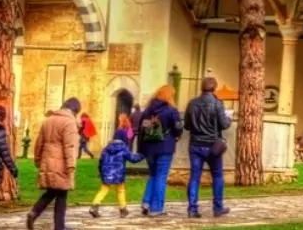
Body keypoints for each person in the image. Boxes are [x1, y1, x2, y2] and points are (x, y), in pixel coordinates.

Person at [27, 98, 81, 230]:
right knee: (62, 194)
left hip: (48, 161)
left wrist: (38, 159)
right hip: (61, 163)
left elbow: (39, 142)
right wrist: (71, 165)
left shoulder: (48, 120)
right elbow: (70, 146)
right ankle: (59, 226)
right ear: (75, 110)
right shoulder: (69, 122)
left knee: (53, 191)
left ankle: (34, 213)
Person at [183, 76, 233, 218]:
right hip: (213, 145)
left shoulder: (192, 104)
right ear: (214, 88)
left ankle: (192, 209)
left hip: (195, 144)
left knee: (194, 177)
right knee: (217, 176)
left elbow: (186, 125)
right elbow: (224, 124)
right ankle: (218, 207)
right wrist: (229, 118)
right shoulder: (218, 104)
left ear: (202, 87)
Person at [138, 84, 184, 216]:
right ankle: (157, 208)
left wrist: (141, 149)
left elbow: (141, 130)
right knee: (161, 177)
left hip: (149, 148)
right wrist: (176, 135)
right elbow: (178, 128)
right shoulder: (171, 111)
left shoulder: (147, 111)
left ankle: (146, 202)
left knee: (153, 174)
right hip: (165, 146)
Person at [90, 129, 145, 218]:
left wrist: (101, 172)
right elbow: (133, 159)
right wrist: (142, 155)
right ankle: (123, 209)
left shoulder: (106, 148)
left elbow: (101, 161)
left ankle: (94, 206)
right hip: (119, 174)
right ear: (124, 138)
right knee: (120, 190)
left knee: (103, 190)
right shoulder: (124, 148)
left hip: (107, 173)